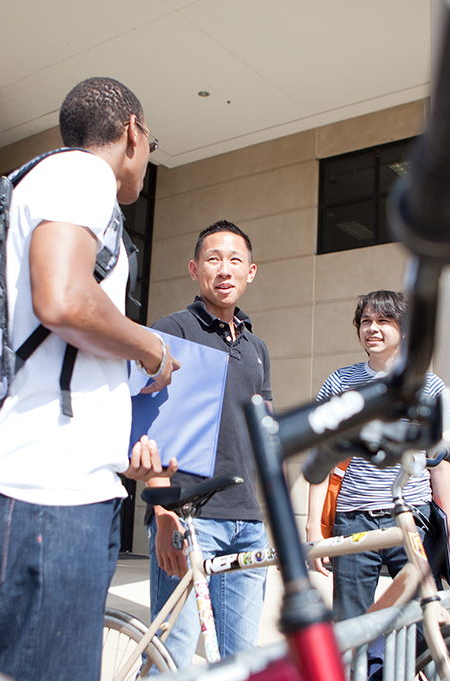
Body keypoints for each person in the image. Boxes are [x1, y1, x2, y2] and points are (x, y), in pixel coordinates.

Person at [0, 77, 180, 681]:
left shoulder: (49, 183)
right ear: (133, 131)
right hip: (42, 499)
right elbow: (65, 301)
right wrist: (152, 350)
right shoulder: (80, 175)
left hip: (48, 493)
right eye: (151, 141)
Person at [145, 220, 272, 669]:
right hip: (189, 518)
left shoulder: (257, 346)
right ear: (194, 268)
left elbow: (262, 435)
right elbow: (148, 423)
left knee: (240, 659)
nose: (225, 269)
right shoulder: (172, 329)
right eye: (214, 259)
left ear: (250, 271)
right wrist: (162, 513)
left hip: (247, 520)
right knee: (171, 656)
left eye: (235, 260)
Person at [305, 289, 450, 624]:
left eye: (383, 321)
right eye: (365, 321)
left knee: (422, 621)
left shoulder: (428, 386)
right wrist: (313, 527)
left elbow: (440, 466)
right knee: (351, 625)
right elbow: (322, 458)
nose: (372, 328)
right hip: (353, 520)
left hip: (411, 518)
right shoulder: (340, 382)